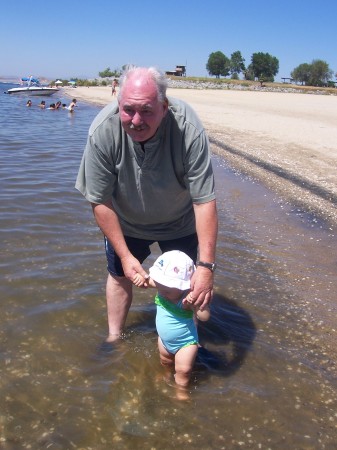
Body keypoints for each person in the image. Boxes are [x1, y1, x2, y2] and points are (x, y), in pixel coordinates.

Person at [75, 65, 218, 345]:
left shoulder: (188, 129)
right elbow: (99, 200)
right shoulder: (102, 132)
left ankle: (191, 338)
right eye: (128, 110)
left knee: (196, 293)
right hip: (126, 222)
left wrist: (206, 267)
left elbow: (204, 201)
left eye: (147, 111)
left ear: (164, 107)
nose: (136, 120)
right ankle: (114, 338)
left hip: (180, 221)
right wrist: (127, 258)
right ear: (119, 103)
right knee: (118, 276)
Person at [133, 250, 210, 396]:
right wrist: (138, 278)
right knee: (165, 361)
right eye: (160, 285)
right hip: (164, 340)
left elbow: (204, 316)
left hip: (185, 344)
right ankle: (166, 374)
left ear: (183, 286)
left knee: (183, 371)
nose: (161, 290)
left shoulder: (186, 299)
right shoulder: (162, 287)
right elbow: (146, 282)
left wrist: (199, 304)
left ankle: (181, 391)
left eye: (167, 289)